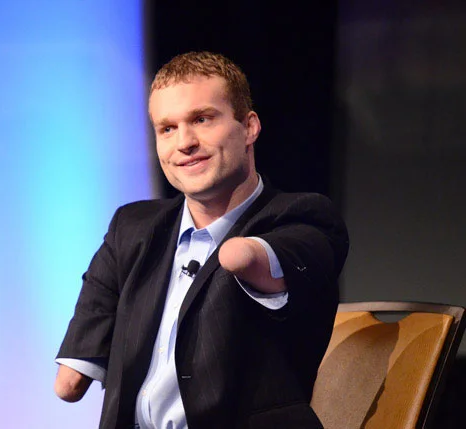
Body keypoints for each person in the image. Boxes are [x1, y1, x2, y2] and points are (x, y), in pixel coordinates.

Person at [54, 51, 349, 429]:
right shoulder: (132, 228)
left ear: (249, 127)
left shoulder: (303, 216)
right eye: (167, 128)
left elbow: (248, 258)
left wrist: (236, 249)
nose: (184, 142)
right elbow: (69, 383)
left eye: (202, 119)